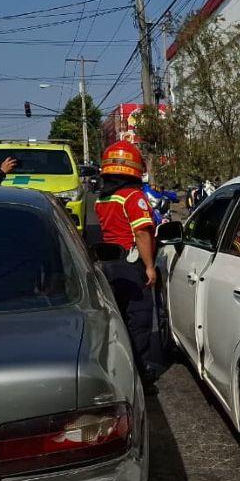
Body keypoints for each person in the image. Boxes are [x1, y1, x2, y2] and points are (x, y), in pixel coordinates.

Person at [94, 141, 161, 390]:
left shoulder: (103, 198)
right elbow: (142, 234)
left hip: (108, 265)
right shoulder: (133, 197)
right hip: (131, 266)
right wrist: (150, 267)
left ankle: (119, 372)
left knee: (118, 320)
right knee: (139, 321)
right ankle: (141, 378)